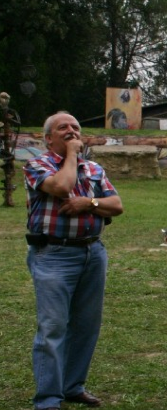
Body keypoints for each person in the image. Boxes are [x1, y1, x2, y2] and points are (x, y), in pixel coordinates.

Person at [23, 111, 124, 410]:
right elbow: (62, 187)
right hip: (53, 254)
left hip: (92, 253)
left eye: (75, 127)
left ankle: (72, 386)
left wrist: (89, 203)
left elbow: (116, 205)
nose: (71, 131)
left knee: (86, 325)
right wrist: (71, 156)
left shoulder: (93, 168)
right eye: (62, 127)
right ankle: (48, 399)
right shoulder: (37, 165)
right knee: (53, 327)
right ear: (48, 138)